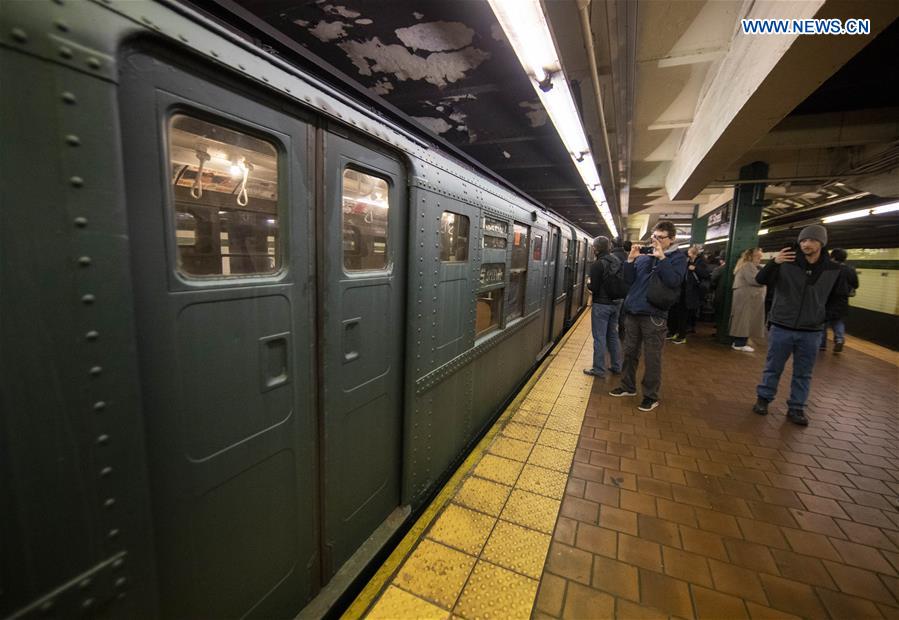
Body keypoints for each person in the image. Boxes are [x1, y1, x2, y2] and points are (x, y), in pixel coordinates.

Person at [752, 225, 847, 426]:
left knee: (803, 373)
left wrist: (822, 317)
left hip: (811, 331)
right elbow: (760, 279)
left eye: (811, 240)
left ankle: (796, 407)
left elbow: (839, 299)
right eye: (803, 240)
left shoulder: (834, 270)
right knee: (773, 367)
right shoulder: (786, 263)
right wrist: (774, 263)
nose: (806, 244)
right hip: (781, 325)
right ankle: (763, 399)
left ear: (821, 243)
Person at [609, 221, 687, 411]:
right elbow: (629, 280)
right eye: (654, 237)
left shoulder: (677, 259)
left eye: (660, 237)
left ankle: (650, 396)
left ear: (672, 239)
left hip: (654, 315)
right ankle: (628, 386)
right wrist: (630, 260)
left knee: (652, 357)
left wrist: (662, 259)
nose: (656, 241)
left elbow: (674, 281)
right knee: (629, 352)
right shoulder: (645, 256)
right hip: (633, 311)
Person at [583, 237, 622, 377]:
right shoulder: (617, 261)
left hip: (601, 304)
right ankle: (617, 365)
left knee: (599, 337)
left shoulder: (597, 264)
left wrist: (588, 284)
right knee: (613, 335)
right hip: (616, 303)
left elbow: (594, 287)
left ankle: (599, 369)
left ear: (596, 248)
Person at [667, 245, 709, 344]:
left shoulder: (700, 263)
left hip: (691, 293)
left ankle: (681, 336)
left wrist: (695, 269)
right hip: (682, 291)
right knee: (676, 312)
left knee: (684, 315)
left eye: (690, 252)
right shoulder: (686, 261)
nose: (688, 254)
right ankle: (674, 332)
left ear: (695, 254)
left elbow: (705, 274)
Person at [820, 248, 859, 353]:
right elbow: (856, 285)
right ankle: (839, 339)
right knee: (838, 321)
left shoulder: (829, 268)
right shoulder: (850, 270)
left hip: (827, 299)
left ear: (832, 257)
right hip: (842, 300)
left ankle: (822, 345)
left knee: (823, 322)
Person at [729, 248, 766, 352]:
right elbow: (755, 280)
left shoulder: (744, 265)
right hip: (747, 298)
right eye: (758, 257)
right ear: (751, 256)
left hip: (746, 297)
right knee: (744, 320)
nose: (760, 259)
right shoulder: (748, 265)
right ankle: (739, 343)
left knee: (743, 320)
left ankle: (740, 342)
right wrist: (766, 279)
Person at [612, 239, 631, 341]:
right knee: (622, 314)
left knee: (614, 316)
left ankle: (614, 335)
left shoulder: (612, 257)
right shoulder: (628, 257)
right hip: (626, 291)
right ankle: (621, 333)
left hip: (614, 292)